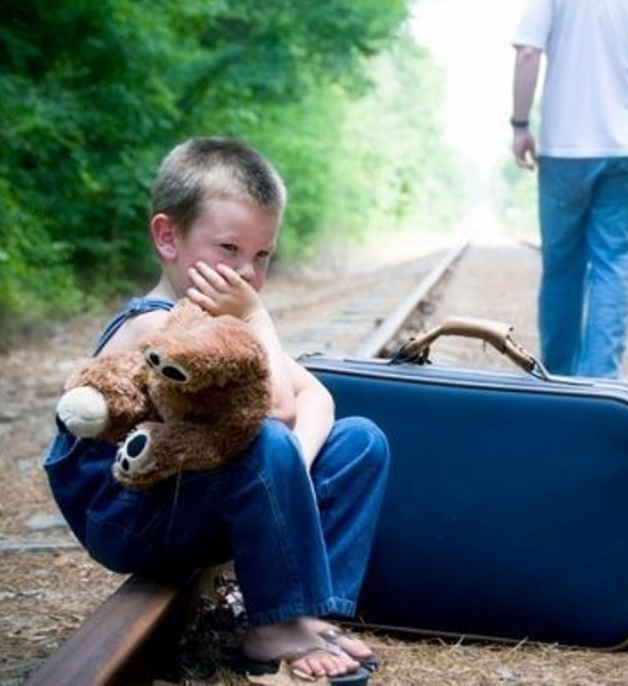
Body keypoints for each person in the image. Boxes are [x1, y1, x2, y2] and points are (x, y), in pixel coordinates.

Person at [43, 137, 389, 682]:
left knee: (361, 440)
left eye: (261, 254)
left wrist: (289, 473)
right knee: (266, 439)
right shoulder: (155, 327)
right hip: (127, 515)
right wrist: (258, 320)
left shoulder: (224, 323)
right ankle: (272, 628)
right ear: (168, 238)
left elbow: (316, 396)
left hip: (190, 497)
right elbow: (276, 409)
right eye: (229, 248)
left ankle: (312, 613)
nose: (247, 272)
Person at [511, 0, 628, 379]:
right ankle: (601, 383)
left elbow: (526, 54)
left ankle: (557, 378)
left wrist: (520, 125)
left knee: (562, 265)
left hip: (564, 151)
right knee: (614, 266)